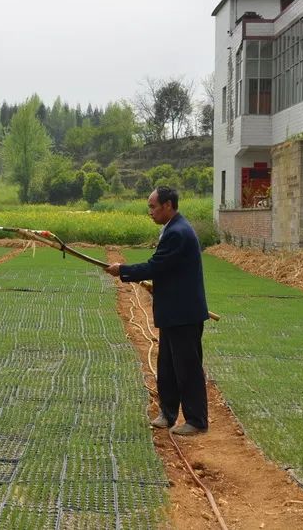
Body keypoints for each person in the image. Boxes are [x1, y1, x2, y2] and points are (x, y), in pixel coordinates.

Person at [106, 186, 210, 435]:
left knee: (187, 367)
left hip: (183, 313)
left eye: (153, 207)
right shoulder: (173, 229)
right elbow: (169, 269)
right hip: (175, 310)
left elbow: (157, 265)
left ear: (168, 206)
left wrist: (123, 270)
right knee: (168, 366)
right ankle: (168, 413)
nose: (150, 212)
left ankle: (196, 421)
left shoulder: (178, 233)